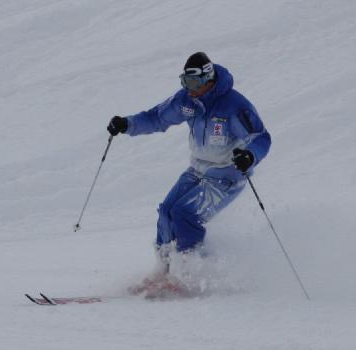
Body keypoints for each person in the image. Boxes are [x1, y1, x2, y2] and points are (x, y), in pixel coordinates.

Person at [107, 52, 271, 285]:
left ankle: (188, 274)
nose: (188, 88)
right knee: (166, 211)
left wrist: (249, 155)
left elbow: (260, 137)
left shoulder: (233, 105)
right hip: (198, 169)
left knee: (185, 214)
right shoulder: (187, 101)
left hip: (227, 176)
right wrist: (127, 124)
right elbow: (157, 118)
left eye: (193, 82)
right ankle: (164, 270)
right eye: (185, 81)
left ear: (208, 79)